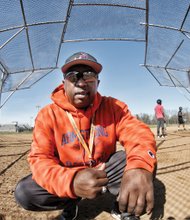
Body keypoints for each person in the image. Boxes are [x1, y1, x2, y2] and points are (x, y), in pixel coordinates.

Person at [14, 52, 157, 220]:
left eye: (89, 76)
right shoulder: (48, 114)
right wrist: (71, 181)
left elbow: (138, 133)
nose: (81, 83)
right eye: (73, 77)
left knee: (142, 160)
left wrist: (139, 167)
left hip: (104, 171)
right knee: (25, 192)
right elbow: (40, 159)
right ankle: (70, 205)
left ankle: (122, 206)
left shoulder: (113, 106)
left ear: (98, 83)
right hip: (66, 173)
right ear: (64, 83)